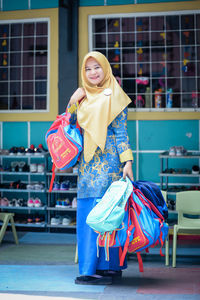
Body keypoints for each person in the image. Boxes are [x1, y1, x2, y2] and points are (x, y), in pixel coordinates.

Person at [68, 51, 134, 285]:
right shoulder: (83, 97)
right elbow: (68, 125)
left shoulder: (115, 96)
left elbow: (121, 132)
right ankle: (89, 269)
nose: (93, 72)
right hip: (87, 169)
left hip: (112, 168)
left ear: (105, 69)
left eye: (97, 67)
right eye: (88, 69)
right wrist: (73, 101)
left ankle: (109, 267)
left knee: (111, 215)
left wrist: (127, 161)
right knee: (89, 216)